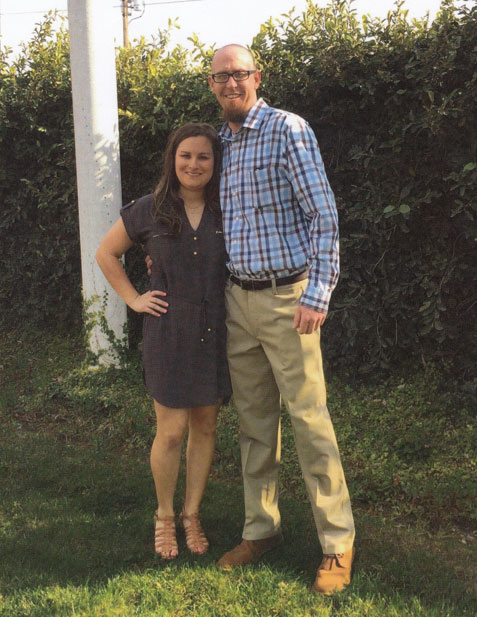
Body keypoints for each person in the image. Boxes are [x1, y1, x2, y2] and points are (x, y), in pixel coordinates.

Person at [207, 44, 356, 595]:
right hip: (236, 301)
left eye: (239, 74)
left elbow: (324, 214)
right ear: (211, 83)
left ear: (256, 77)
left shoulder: (288, 129)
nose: (230, 84)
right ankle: (260, 529)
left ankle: (337, 543)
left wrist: (317, 292)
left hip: (288, 300)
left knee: (309, 421)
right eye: (221, 76)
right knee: (253, 426)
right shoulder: (219, 143)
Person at [96, 122, 232, 560]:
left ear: (215, 163)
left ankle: (192, 514)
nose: (194, 164)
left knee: (206, 427)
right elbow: (106, 253)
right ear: (173, 159)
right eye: (186, 155)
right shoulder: (150, 208)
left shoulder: (227, 207)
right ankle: (164, 515)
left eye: (204, 157)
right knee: (171, 432)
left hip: (215, 332)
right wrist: (134, 299)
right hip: (168, 334)